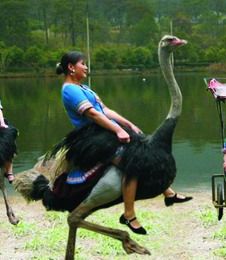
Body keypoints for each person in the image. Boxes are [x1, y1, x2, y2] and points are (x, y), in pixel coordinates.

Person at [57, 50, 191, 235]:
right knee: (132, 162)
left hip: (105, 131)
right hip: (93, 137)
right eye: (82, 64)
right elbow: (93, 114)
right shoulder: (69, 89)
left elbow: (104, 109)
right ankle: (129, 214)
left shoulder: (84, 88)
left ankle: (168, 192)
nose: (86, 67)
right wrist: (118, 130)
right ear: (71, 68)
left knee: (146, 148)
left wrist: (127, 123)